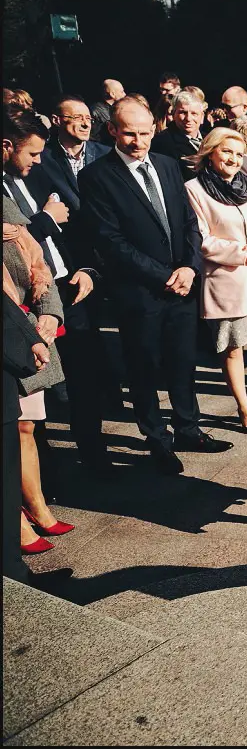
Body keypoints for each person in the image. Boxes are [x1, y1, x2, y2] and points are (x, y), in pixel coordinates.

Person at [80, 98, 233, 475]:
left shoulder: (167, 165)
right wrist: (163, 275)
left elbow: (188, 223)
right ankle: (157, 439)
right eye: (129, 133)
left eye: (145, 132)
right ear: (113, 130)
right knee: (143, 368)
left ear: (155, 127)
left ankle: (189, 429)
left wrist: (189, 267)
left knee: (184, 362)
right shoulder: (97, 176)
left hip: (182, 287)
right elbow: (110, 241)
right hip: (139, 292)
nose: (138, 141)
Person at [22, 97, 113, 471]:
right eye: (32, 152)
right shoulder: (34, 175)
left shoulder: (37, 168)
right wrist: (46, 218)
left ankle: (93, 454)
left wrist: (88, 269)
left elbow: (76, 235)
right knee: (36, 381)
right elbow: (22, 237)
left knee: (83, 370)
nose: (37, 159)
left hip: (69, 281)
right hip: (28, 292)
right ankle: (42, 469)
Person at [184, 127, 247, 434]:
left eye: (238, 154)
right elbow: (200, 238)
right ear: (210, 152)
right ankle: (243, 406)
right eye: (226, 151)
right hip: (226, 280)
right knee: (233, 348)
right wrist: (241, 253)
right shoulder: (194, 189)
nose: (233, 159)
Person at [4, 199, 73, 554]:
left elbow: (41, 269)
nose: (35, 160)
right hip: (11, 338)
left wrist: (51, 314)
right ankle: (14, 523)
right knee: (7, 430)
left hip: (32, 333)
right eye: (30, 153)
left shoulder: (12, 215)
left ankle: (38, 506)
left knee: (27, 426)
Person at [151, 91, 205, 182]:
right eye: (183, 112)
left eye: (194, 113)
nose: (188, 118)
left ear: (202, 117)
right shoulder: (161, 142)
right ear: (173, 114)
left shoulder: (210, 138)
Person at [91, 79, 125, 145]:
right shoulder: (95, 111)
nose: (125, 94)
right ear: (112, 94)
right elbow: (93, 137)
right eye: (122, 92)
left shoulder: (119, 108)